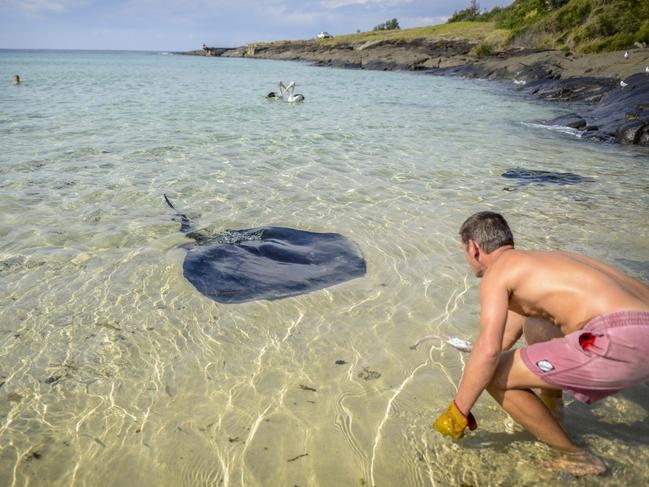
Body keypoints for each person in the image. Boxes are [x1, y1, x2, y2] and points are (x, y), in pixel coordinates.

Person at [433, 211, 649, 476]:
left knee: (494, 376)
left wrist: (458, 411)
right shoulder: (542, 263)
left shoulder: (496, 274)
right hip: (639, 327)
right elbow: (504, 339)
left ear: (474, 248)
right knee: (536, 324)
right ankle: (552, 410)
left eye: (464, 252)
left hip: (616, 338)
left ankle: (576, 456)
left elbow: (489, 353)